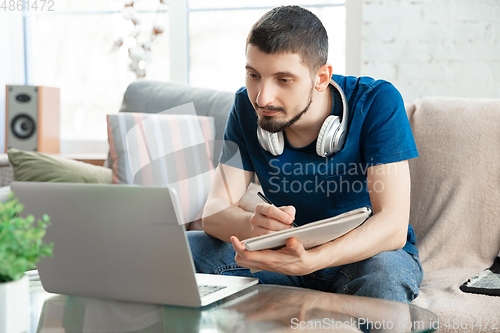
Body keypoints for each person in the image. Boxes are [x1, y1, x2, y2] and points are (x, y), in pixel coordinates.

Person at [189, 5, 423, 304]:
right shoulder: (245, 106)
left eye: (283, 80)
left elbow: (392, 226)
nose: (262, 97)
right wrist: (254, 227)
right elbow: (214, 213)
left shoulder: (377, 101)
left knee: (385, 274)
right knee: (181, 252)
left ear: (322, 77)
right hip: (280, 256)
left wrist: (314, 259)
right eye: (253, 75)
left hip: (363, 257)